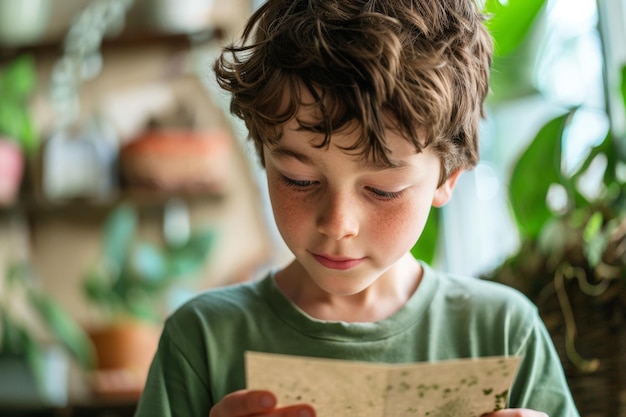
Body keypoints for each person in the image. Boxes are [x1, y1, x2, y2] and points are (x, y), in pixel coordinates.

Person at [134, 0, 579, 416]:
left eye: (384, 190)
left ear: (447, 178)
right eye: (299, 179)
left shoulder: (502, 332)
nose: (338, 224)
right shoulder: (203, 339)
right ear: (263, 156)